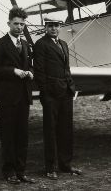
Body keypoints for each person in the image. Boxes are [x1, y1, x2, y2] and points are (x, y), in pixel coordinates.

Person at [0, 7, 36, 184]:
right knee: (8, 136)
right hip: (7, 98)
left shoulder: (25, 44)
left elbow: (30, 64)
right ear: (8, 23)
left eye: (22, 24)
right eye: (16, 23)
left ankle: (21, 171)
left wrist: (30, 72)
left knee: (23, 135)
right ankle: (9, 172)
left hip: (23, 96)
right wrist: (14, 71)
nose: (19, 27)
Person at [33, 17, 82, 180]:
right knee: (51, 131)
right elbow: (39, 72)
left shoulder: (64, 44)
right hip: (51, 96)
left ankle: (65, 165)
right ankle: (50, 167)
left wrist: (71, 87)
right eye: (50, 26)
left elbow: (66, 68)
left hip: (65, 93)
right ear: (45, 27)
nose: (53, 28)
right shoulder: (40, 45)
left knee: (66, 130)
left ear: (60, 27)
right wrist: (46, 94)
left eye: (56, 25)